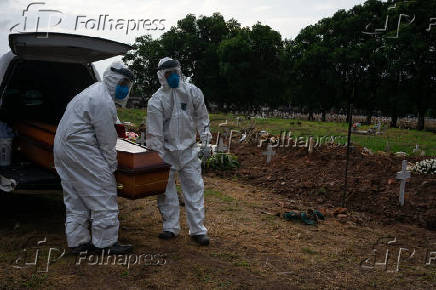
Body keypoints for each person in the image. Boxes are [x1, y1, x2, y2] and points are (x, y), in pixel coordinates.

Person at [54, 61, 134, 255]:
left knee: (76, 195)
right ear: (112, 79)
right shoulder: (102, 100)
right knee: (104, 190)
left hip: (63, 147)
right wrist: (111, 167)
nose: (124, 89)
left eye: (127, 85)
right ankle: (105, 243)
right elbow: (107, 141)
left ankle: (78, 242)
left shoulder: (92, 91)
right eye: (122, 84)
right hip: (79, 148)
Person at [146, 57, 212, 246]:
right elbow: (154, 133)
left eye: (175, 72)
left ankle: (198, 230)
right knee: (166, 191)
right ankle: (170, 227)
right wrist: (157, 158)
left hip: (189, 150)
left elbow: (202, 117)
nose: (173, 76)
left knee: (194, 189)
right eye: (169, 74)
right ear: (161, 76)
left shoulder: (192, 92)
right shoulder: (156, 101)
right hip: (167, 152)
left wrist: (206, 141)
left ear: (180, 71)